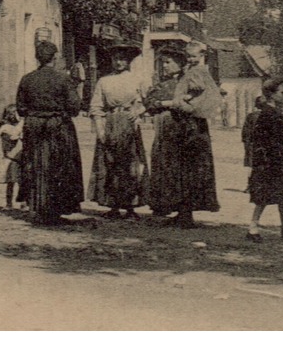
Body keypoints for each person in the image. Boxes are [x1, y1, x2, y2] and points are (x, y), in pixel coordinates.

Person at [145, 41, 221, 227]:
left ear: (181, 63)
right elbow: (150, 104)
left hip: (188, 131)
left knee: (188, 171)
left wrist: (169, 103)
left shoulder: (192, 78)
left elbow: (205, 100)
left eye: (168, 62)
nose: (165, 66)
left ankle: (186, 213)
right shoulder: (163, 84)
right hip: (168, 133)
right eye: (163, 62)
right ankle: (177, 210)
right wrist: (159, 104)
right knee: (170, 170)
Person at [15, 39, 84, 225]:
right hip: (57, 125)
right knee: (60, 165)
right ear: (55, 58)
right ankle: (56, 208)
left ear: (37, 58)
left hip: (34, 125)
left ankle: (37, 207)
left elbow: (20, 108)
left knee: (35, 164)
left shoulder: (27, 79)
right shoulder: (63, 79)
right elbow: (75, 108)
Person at [88, 40, 148, 219]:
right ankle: (113, 205)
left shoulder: (137, 79)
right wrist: (100, 129)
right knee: (109, 163)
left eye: (122, 59)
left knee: (131, 164)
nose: (119, 62)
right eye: (115, 59)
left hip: (129, 124)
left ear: (129, 61)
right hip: (111, 123)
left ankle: (130, 206)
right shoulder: (104, 81)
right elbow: (96, 107)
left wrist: (139, 111)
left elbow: (149, 100)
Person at [244, 76, 283, 243]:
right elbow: (272, 140)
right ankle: (252, 228)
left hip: (278, 160)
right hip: (272, 162)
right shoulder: (270, 114)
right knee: (263, 197)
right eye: (281, 92)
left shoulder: (273, 113)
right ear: (271, 94)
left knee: (282, 196)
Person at [0, 105, 24, 210]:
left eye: (15, 112)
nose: (13, 115)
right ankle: (8, 203)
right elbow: (9, 141)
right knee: (11, 181)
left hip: (20, 156)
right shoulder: (6, 128)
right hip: (12, 157)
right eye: (11, 113)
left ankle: (23, 202)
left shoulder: (19, 126)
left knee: (22, 180)